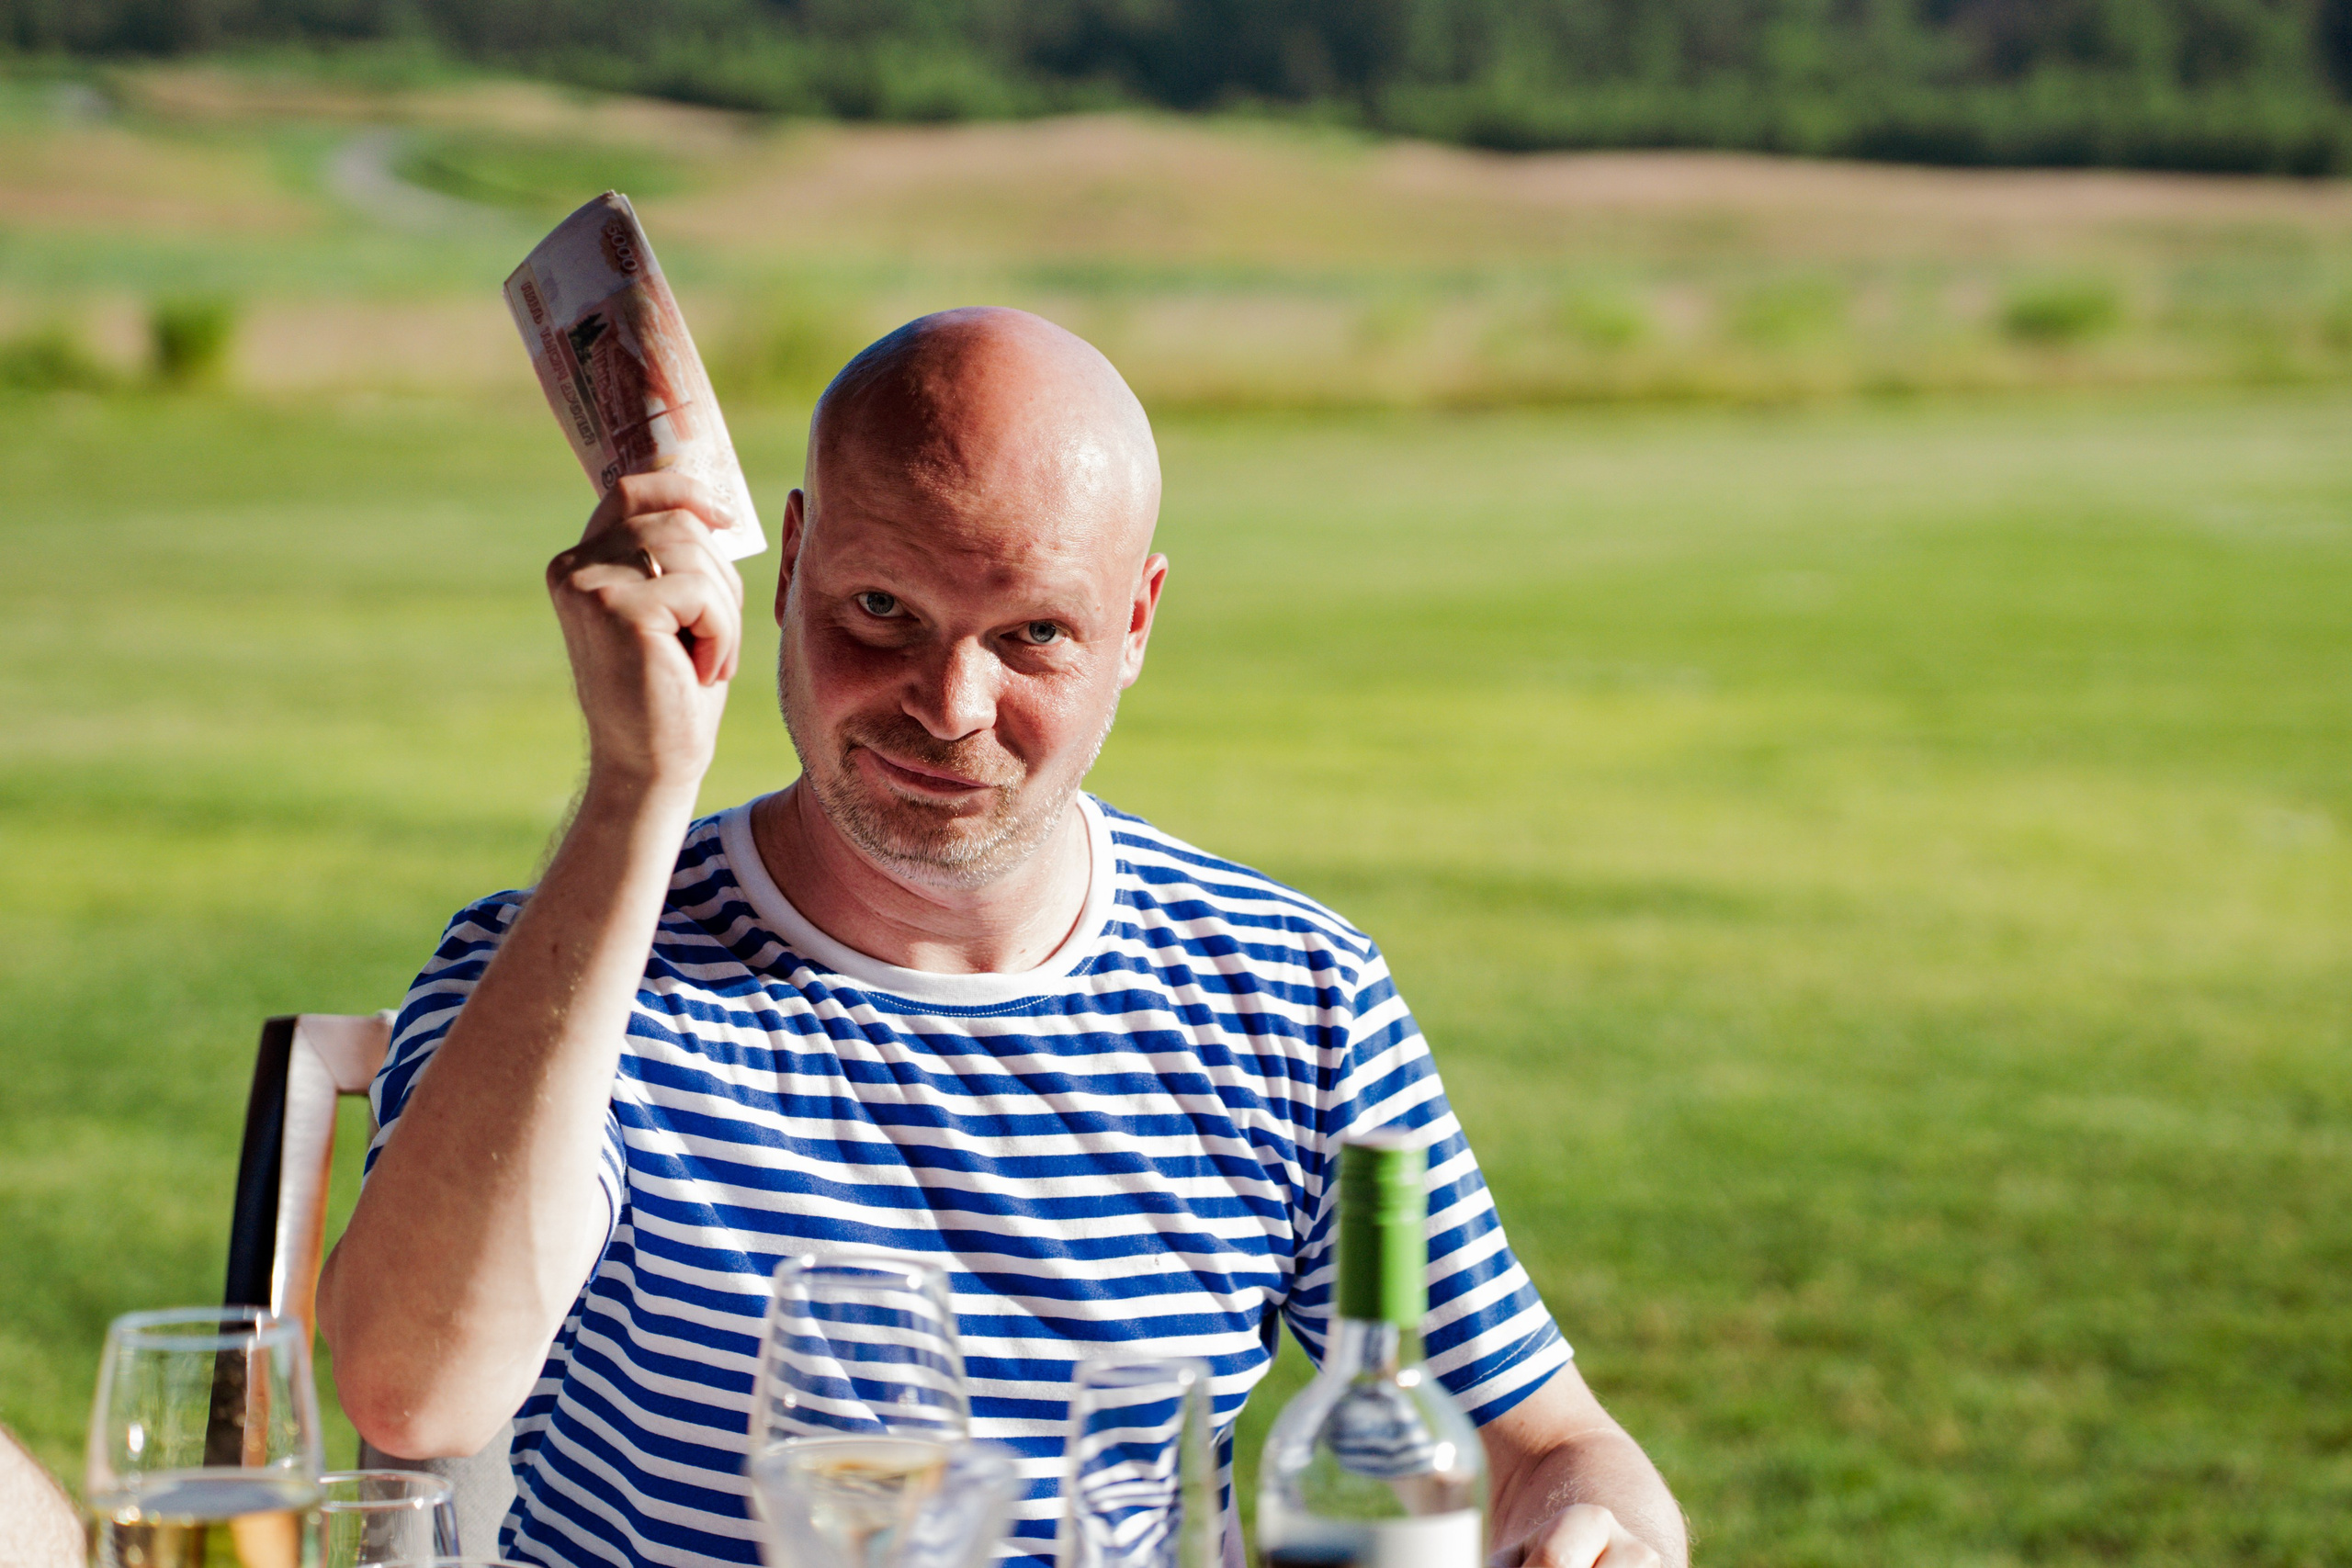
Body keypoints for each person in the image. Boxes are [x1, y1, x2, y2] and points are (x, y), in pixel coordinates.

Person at [319, 307, 1686, 1568]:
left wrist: (1590, 1526)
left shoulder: (1292, 990)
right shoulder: (567, 969)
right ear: (790, 564)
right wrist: (636, 784)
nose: (950, 703)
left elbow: (1555, 1444)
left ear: (1136, 624)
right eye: (882, 612)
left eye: (1033, 634)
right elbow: (412, 1390)